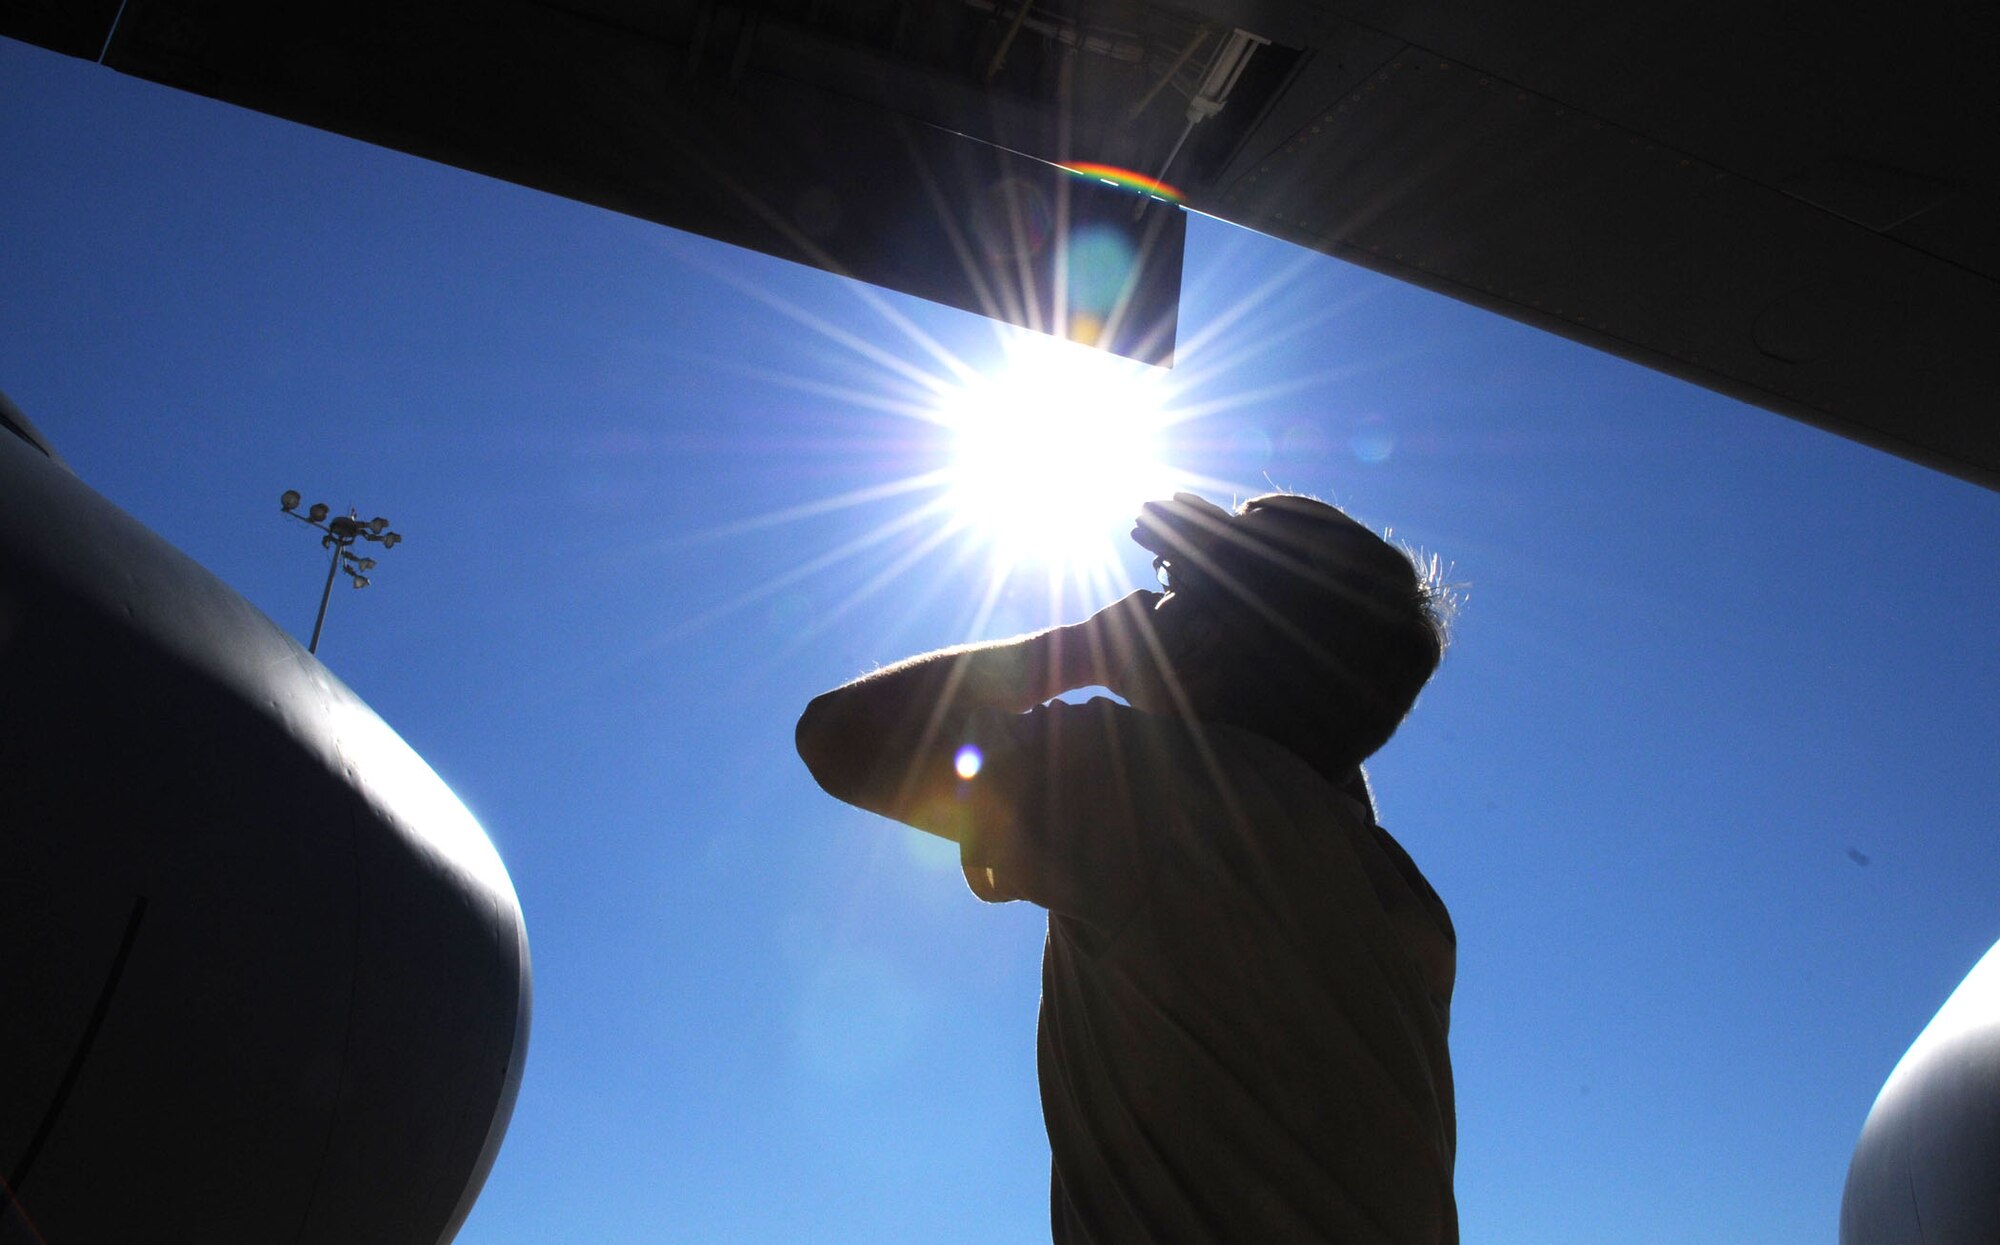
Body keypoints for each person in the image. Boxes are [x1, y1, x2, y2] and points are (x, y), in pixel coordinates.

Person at [794, 492, 1458, 1243]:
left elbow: (842, 734)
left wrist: (1082, 647)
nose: (1147, 602)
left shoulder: (1155, 796)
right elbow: (1325, 731)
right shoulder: (1399, 896)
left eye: (1169, 592)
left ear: (1204, 636)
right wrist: (1234, 604)